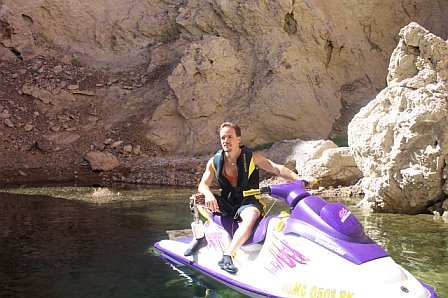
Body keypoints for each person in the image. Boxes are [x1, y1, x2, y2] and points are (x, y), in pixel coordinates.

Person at [184, 122, 303, 274]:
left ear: (238, 139)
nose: (226, 140)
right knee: (197, 199)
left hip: (248, 201)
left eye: (229, 137)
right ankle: (200, 238)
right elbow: (203, 184)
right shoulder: (214, 161)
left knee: (252, 215)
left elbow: (276, 168)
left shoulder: (251, 156)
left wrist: (299, 179)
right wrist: (208, 194)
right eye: (223, 138)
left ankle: (227, 255)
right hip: (228, 201)